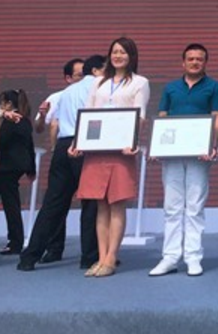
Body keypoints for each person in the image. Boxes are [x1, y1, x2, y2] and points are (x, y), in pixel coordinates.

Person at [18, 54, 104, 272]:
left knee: (53, 204)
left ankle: (29, 257)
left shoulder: (64, 93)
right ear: (96, 71)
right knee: (91, 203)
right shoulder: (100, 87)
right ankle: (90, 257)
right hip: (85, 144)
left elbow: (47, 123)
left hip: (62, 147)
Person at [74, 38, 150, 278]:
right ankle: (100, 257)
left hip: (121, 151)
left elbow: (140, 117)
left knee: (117, 203)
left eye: (123, 52)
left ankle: (111, 258)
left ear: (131, 56)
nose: (118, 56)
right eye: (115, 52)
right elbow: (88, 113)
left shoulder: (140, 82)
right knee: (100, 205)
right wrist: (78, 143)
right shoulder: (98, 82)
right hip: (97, 150)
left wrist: (133, 142)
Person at [149, 44, 218, 277]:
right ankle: (170, 257)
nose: (195, 62)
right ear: (183, 62)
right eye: (190, 59)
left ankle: (193, 257)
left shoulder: (214, 87)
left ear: (205, 62)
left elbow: (217, 117)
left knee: (194, 207)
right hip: (172, 154)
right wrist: (158, 146)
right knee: (172, 207)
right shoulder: (171, 88)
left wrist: (212, 145)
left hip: (199, 154)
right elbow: (162, 118)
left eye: (199, 59)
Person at [31, 57, 84, 261]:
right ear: (68, 78)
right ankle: (53, 248)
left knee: (92, 202)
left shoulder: (94, 93)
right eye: (79, 75)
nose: (84, 79)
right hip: (64, 150)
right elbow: (39, 127)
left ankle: (96, 252)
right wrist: (43, 114)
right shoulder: (58, 96)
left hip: (86, 149)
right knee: (57, 201)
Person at [0, 89, 36, 255]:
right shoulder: (25, 120)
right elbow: (29, 145)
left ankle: (15, 242)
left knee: (11, 205)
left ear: (8, 103)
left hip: (6, 167)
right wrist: (32, 169)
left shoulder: (10, 122)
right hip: (18, 166)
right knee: (12, 204)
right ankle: (16, 241)